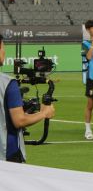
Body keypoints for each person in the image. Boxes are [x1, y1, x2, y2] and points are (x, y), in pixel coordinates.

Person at [0, 35, 55, 163]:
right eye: (3, 47)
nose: (4, 51)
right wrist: (44, 113)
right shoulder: (8, 83)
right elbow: (19, 121)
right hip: (7, 155)